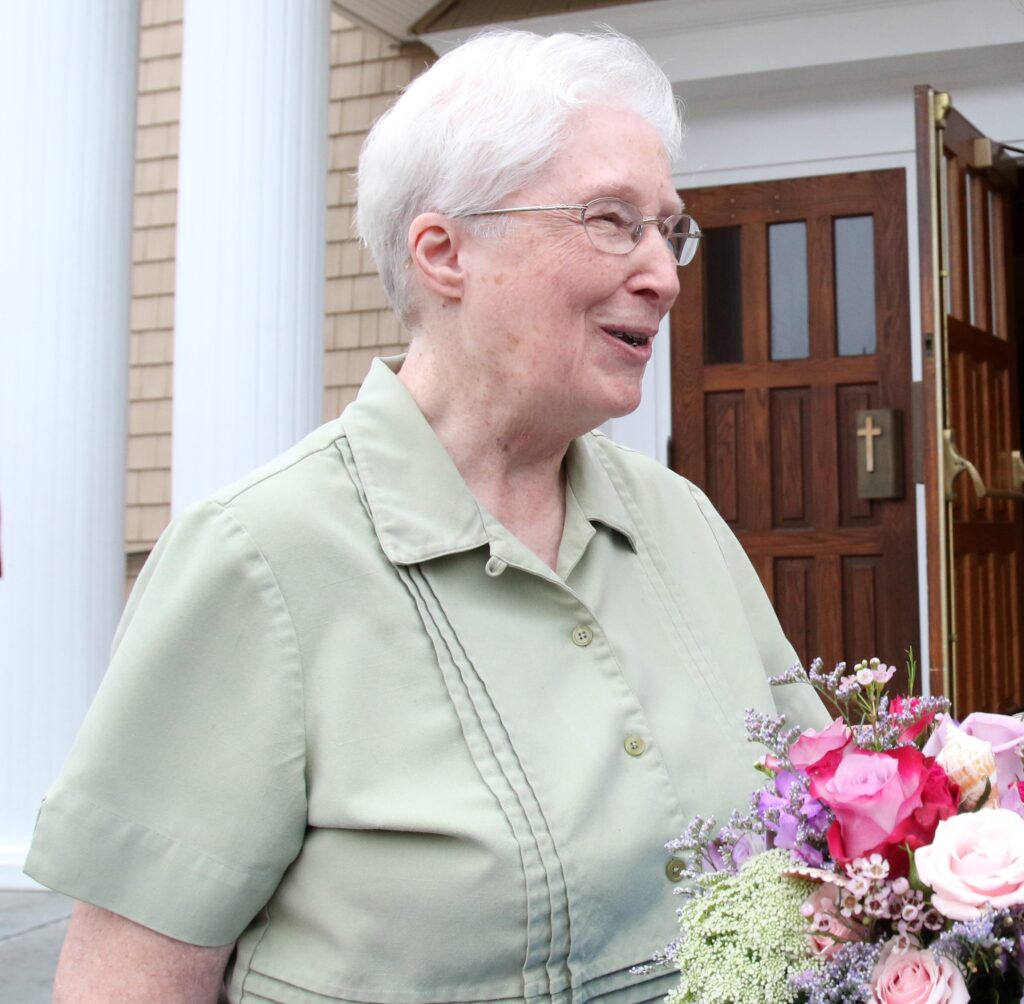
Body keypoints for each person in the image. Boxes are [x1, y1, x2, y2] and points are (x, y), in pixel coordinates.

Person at [27, 28, 828, 1004]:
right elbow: (131, 980)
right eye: (613, 220)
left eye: (668, 228)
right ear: (444, 252)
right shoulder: (259, 557)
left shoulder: (684, 521)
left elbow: (822, 821)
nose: (662, 271)